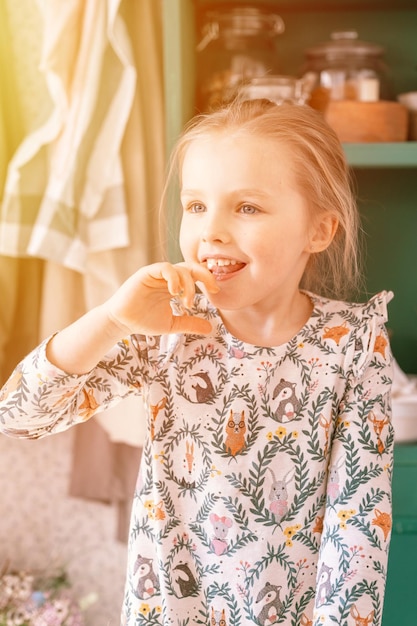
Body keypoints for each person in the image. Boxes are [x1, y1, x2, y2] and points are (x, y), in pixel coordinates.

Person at [0, 99, 394, 626]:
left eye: (247, 207)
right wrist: (113, 319)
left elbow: (359, 524)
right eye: (195, 206)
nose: (211, 231)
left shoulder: (351, 341)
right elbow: (20, 415)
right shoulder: (166, 328)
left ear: (318, 231)